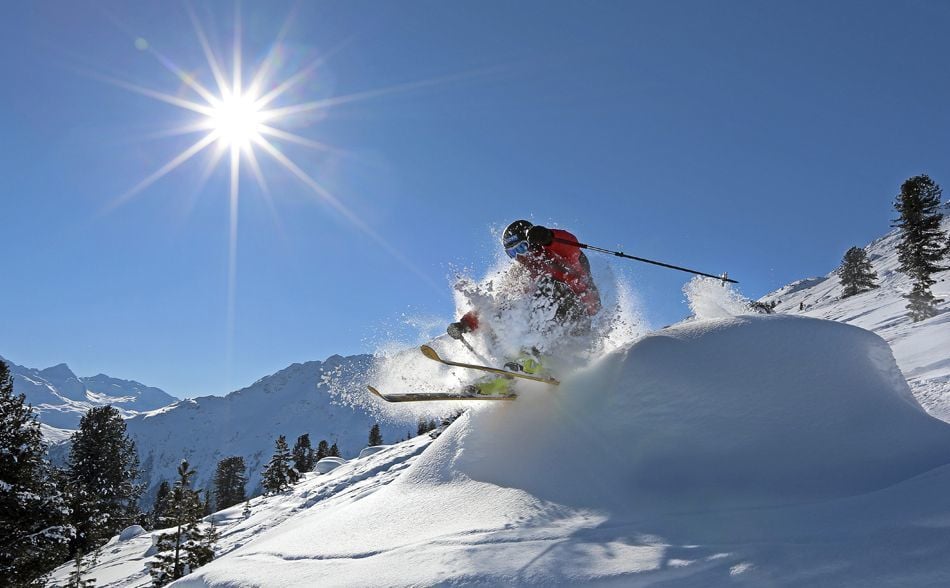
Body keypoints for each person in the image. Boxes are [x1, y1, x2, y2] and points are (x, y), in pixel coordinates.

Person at [446, 220, 602, 395]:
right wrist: (466, 324)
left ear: (532, 242)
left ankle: (532, 356)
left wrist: (548, 236)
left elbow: (571, 246)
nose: (519, 256)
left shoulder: (557, 255)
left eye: (521, 248)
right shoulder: (520, 274)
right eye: (512, 253)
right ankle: (506, 377)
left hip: (574, 316)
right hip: (545, 332)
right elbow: (496, 304)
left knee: (546, 285)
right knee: (504, 310)